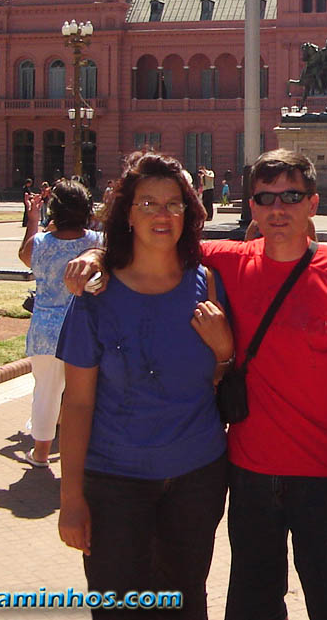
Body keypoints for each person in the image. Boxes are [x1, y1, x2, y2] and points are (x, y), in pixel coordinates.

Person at [65, 149, 327, 620]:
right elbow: (153, 242)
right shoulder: (226, 262)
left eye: (291, 196)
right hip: (247, 471)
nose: (278, 208)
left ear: (312, 204)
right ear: (251, 206)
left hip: (318, 472)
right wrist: (96, 255)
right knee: (250, 603)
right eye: (265, 197)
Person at [55, 153, 232, 620]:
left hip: (197, 474)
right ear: (127, 214)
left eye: (174, 204)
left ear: (189, 214)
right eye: (148, 203)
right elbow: (76, 404)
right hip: (116, 481)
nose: (162, 214)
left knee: (186, 599)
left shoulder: (207, 283)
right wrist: (71, 500)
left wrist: (223, 350)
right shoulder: (96, 296)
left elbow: (221, 376)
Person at [18, 179, 103, 468]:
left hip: (45, 331)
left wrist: (34, 220)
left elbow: (24, 254)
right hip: (85, 331)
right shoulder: (96, 243)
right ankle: (82, 456)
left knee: (45, 394)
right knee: (83, 396)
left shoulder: (41, 243)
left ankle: (40, 453)